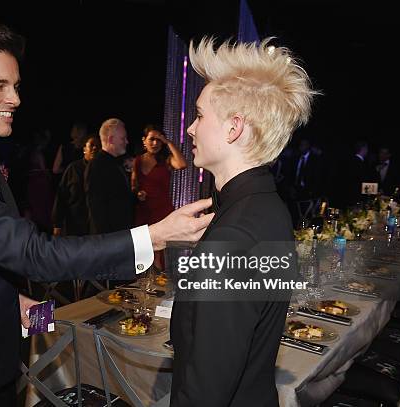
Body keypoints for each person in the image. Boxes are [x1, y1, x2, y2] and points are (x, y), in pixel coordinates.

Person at [0, 19, 212, 407]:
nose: (15, 99)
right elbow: (34, 254)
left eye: (16, 86)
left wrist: (9, 300)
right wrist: (153, 235)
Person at [170, 38, 316, 406]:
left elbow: (205, 392)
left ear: (234, 128)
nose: (190, 129)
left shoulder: (234, 235)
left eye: (200, 116)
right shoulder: (267, 206)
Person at [132, 125, 187, 270]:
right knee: (144, 250)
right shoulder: (137, 161)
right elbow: (133, 185)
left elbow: (182, 164)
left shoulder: (166, 161)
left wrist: (168, 142)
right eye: (152, 139)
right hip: (143, 211)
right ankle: (145, 284)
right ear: (144, 141)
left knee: (160, 252)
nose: (155, 143)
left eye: (159, 140)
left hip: (162, 211)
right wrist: (137, 193)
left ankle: (160, 286)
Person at [85, 118, 135, 234]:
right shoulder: (96, 166)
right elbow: (95, 207)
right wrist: (105, 242)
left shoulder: (116, 162)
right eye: (123, 138)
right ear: (111, 140)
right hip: (109, 238)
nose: (127, 142)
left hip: (119, 234)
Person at [52, 135, 100, 236]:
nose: (94, 148)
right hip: (75, 224)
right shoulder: (73, 169)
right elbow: (61, 197)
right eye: (91, 145)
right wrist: (57, 224)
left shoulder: (104, 170)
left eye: (97, 146)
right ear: (84, 149)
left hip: (97, 226)